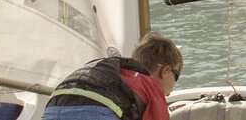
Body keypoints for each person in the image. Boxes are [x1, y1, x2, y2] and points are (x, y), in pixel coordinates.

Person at [41, 32, 184, 120]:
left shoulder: (115, 70)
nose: (171, 90)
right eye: (176, 76)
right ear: (165, 71)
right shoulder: (149, 86)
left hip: (53, 107)